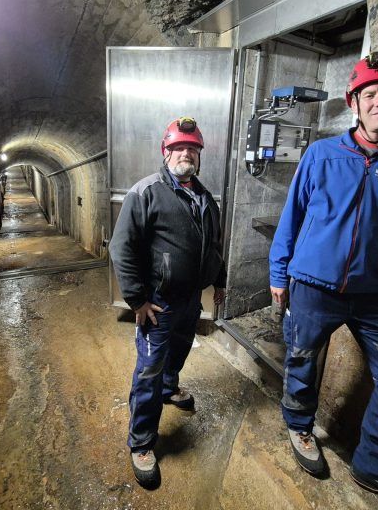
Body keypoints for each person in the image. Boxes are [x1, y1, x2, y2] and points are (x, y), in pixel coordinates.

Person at [269, 51, 378, 510]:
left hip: (370, 296)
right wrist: (278, 273)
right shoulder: (321, 154)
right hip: (310, 286)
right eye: (370, 94)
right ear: (354, 104)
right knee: (302, 359)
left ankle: (374, 466)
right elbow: (292, 218)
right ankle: (299, 428)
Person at [109, 117, 227, 489]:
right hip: (158, 303)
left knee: (177, 353)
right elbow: (121, 248)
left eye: (191, 148)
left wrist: (218, 281)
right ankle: (142, 441)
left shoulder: (204, 197)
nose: (185, 154)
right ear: (165, 151)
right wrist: (138, 301)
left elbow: (214, 245)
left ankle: (169, 387)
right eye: (178, 148)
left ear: (198, 155)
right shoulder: (146, 192)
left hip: (190, 299)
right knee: (148, 369)